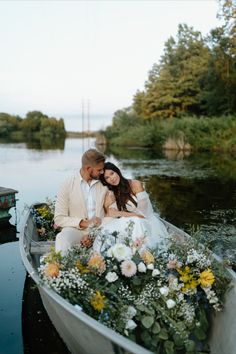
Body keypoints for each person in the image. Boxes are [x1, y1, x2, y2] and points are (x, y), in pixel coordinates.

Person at [93, 162, 169, 253]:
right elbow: (109, 213)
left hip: (147, 220)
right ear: (105, 181)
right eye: (107, 178)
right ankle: (104, 253)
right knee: (109, 228)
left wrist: (120, 213)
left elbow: (143, 214)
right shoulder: (112, 193)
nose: (111, 178)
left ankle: (142, 253)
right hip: (130, 221)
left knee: (137, 222)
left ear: (117, 171)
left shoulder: (135, 184)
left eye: (112, 173)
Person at [54, 148, 108, 255]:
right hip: (76, 230)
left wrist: (93, 234)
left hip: (101, 230)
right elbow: (59, 218)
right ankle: (62, 269)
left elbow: (111, 211)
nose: (102, 172)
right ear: (88, 168)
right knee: (62, 238)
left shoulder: (105, 184)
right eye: (99, 170)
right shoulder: (67, 185)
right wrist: (84, 223)